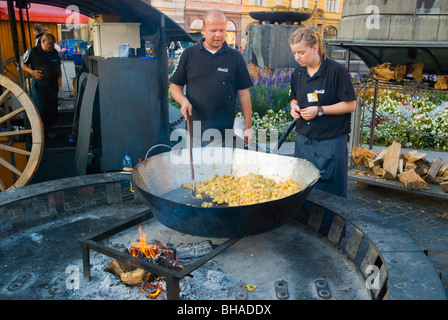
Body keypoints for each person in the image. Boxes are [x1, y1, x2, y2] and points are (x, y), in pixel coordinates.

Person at [289, 27, 357, 233]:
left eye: (301, 52)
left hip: (330, 142)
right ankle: (305, 227)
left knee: (330, 190)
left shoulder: (336, 71)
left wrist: (320, 110)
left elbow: (350, 104)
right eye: (294, 53)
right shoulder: (297, 73)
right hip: (304, 140)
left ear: (315, 48)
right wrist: (293, 107)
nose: (297, 57)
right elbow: (294, 97)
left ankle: (332, 231)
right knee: (303, 186)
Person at [169, 9, 253, 147]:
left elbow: (244, 93)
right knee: (197, 167)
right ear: (204, 30)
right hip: (195, 130)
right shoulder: (189, 54)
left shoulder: (235, 57)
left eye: (222, 30)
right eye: (213, 30)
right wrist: (183, 101)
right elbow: (175, 87)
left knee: (224, 168)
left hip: (226, 132)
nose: (218, 35)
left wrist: (248, 126)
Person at [23, 33, 62, 139]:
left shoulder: (54, 52)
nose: (52, 46)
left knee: (51, 108)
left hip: (52, 84)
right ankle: (39, 133)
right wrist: (32, 72)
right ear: (43, 42)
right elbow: (22, 65)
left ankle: (48, 130)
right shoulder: (32, 51)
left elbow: (58, 66)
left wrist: (59, 76)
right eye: (50, 43)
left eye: (53, 43)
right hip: (39, 85)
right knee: (40, 109)